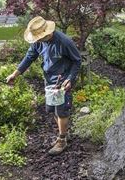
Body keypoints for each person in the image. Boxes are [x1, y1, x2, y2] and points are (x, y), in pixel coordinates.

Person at [6, 16, 81, 155]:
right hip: (49, 79)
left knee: (61, 110)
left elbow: (77, 61)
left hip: (63, 80)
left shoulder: (64, 41)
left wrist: (70, 78)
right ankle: (63, 132)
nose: (37, 40)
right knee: (52, 109)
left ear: (47, 33)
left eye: (39, 37)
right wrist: (15, 74)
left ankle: (62, 140)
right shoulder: (38, 42)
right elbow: (29, 57)